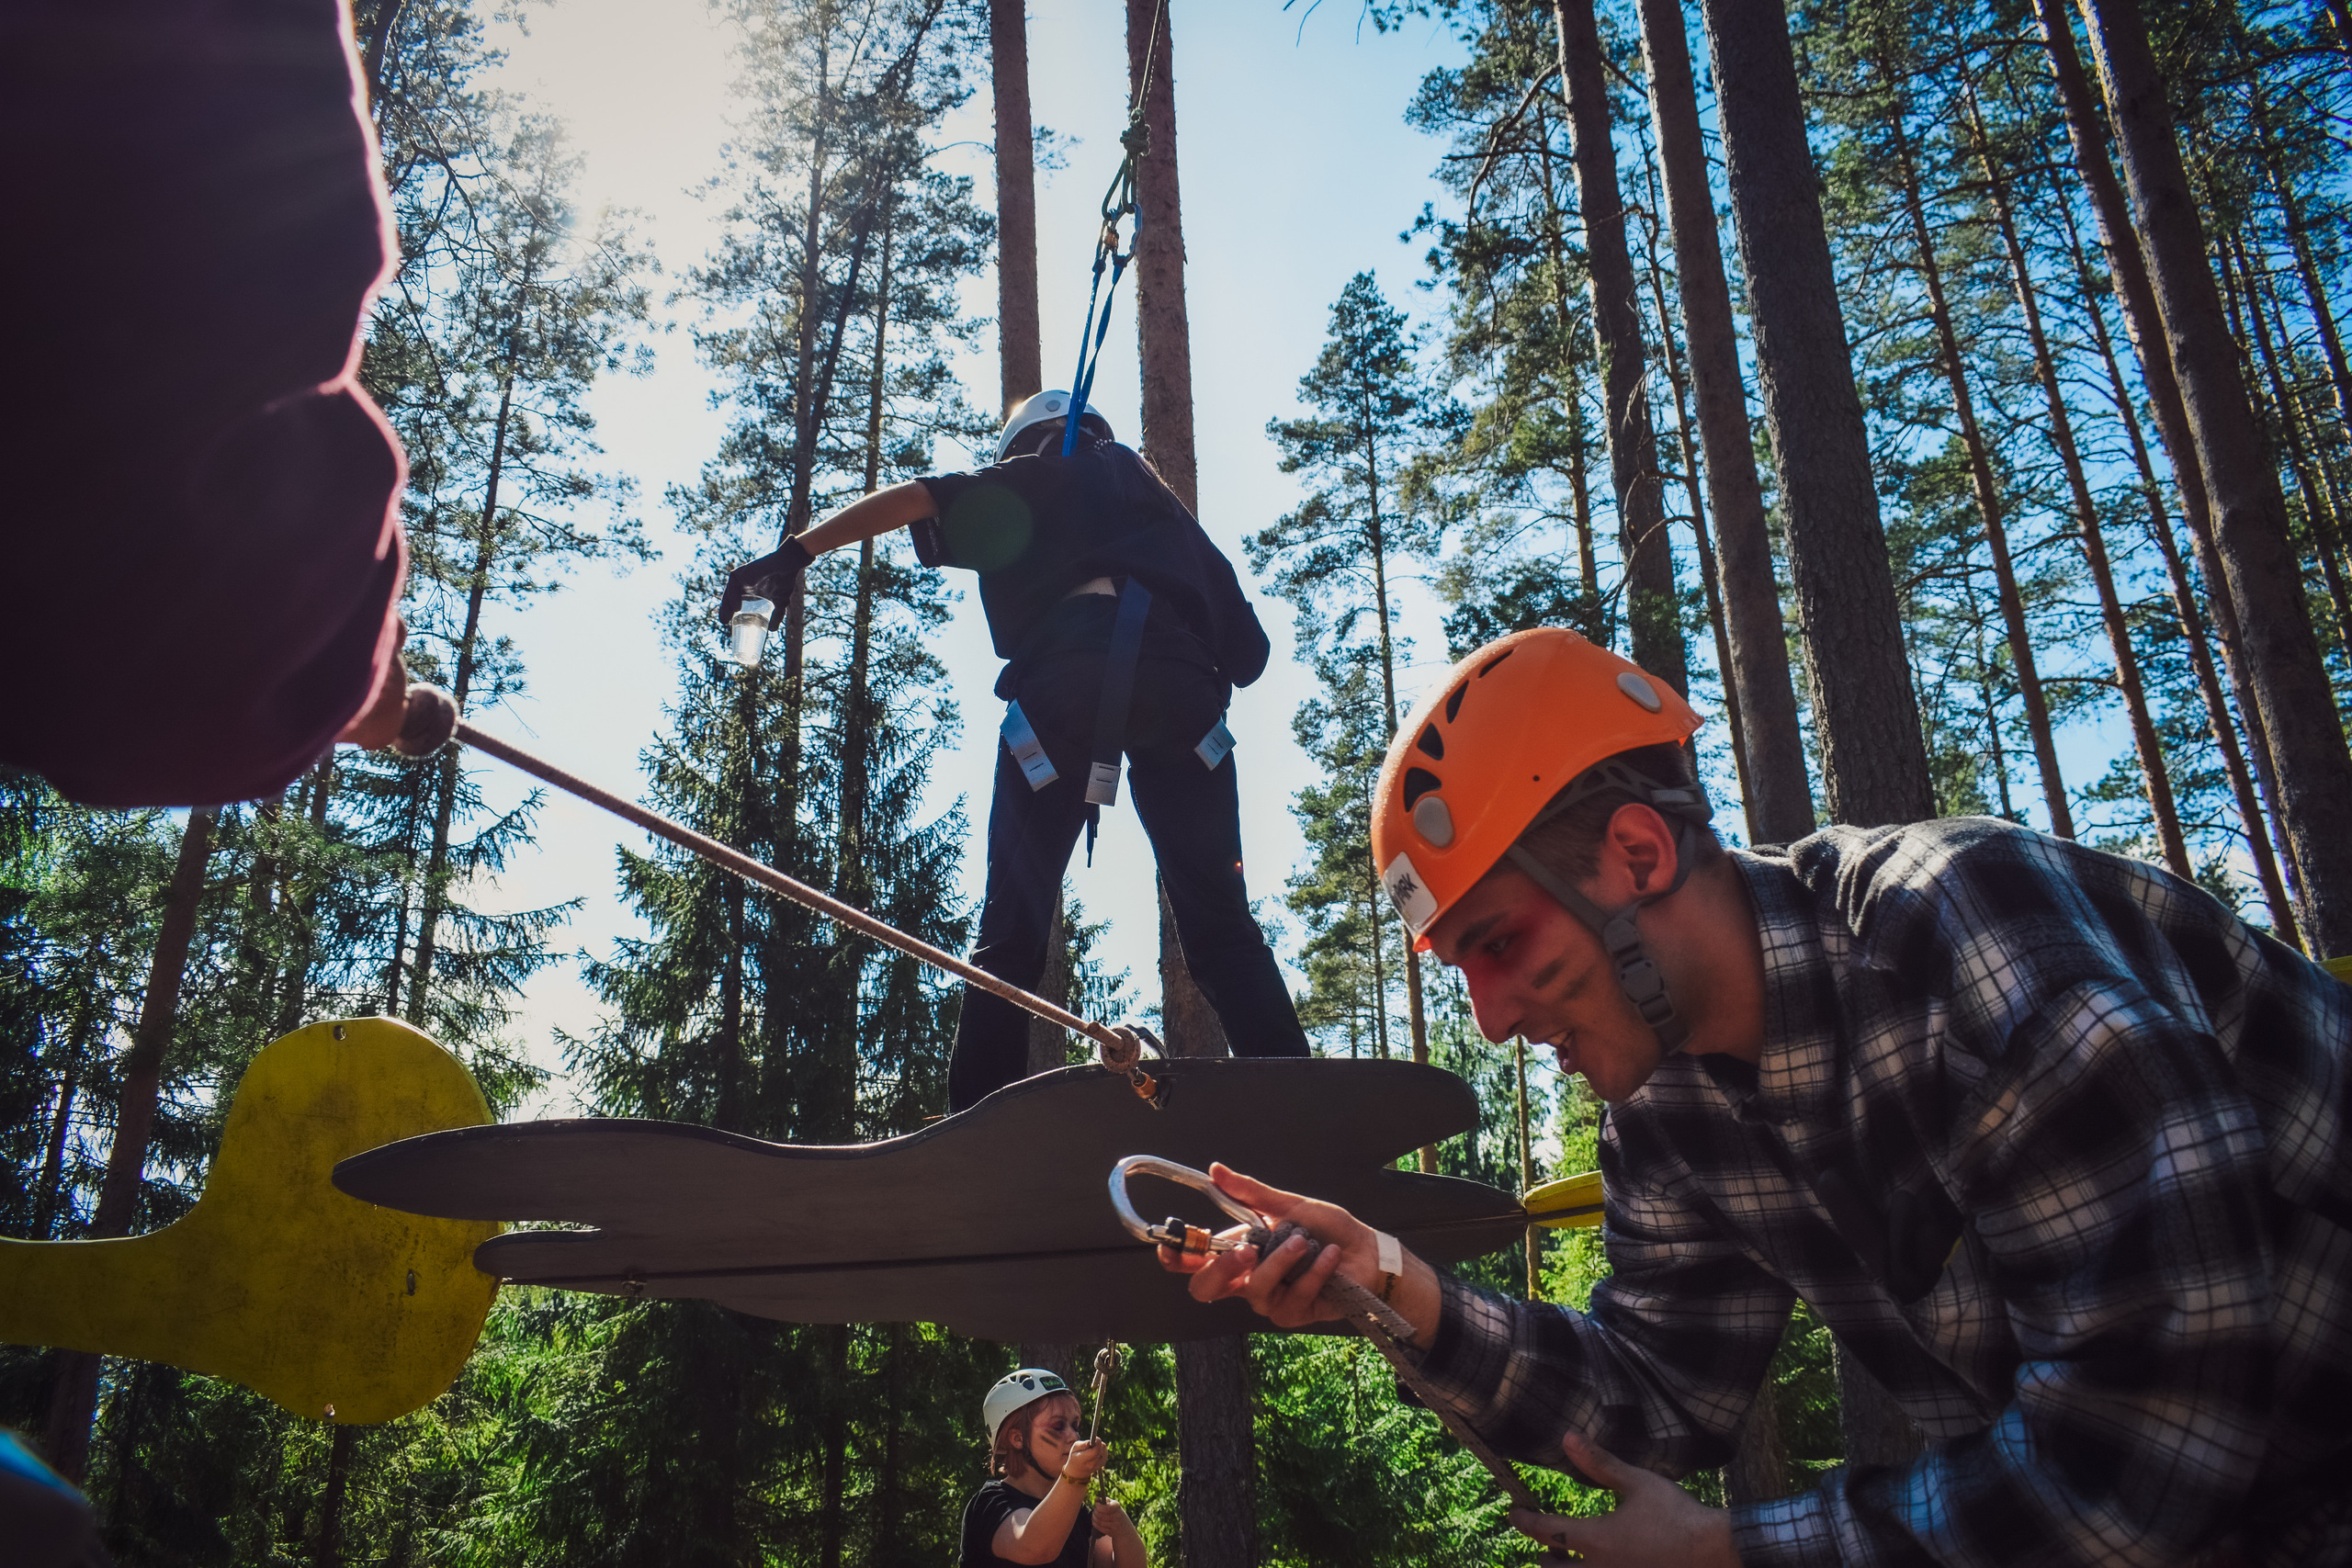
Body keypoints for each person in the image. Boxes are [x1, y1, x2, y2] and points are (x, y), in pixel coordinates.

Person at [1159, 625, 2352, 1568]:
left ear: (1637, 853)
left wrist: (1736, 1546)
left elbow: (2149, 1447)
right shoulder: (1669, 1115)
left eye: (1504, 942)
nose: (1493, 1014)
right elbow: (1657, 1398)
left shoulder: (1958, 930)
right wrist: (1390, 1277)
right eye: (1461, 969)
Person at [718, 392, 1310, 1111]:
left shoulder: (1031, 479)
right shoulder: (1164, 513)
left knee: (1010, 934)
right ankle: (1295, 1105)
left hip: (1062, 693)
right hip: (1183, 698)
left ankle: (978, 1127)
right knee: (1222, 930)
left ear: (1024, 446)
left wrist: (794, 554)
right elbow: (1250, 656)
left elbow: (917, 498)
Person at [961, 1368, 1146, 1568]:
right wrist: (1075, 1476)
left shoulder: (1078, 1516)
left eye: (1075, 1425)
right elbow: (1034, 1548)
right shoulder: (990, 1504)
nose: (1074, 1437)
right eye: (1058, 1427)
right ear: (1017, 1439)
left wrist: (1122, 1529)